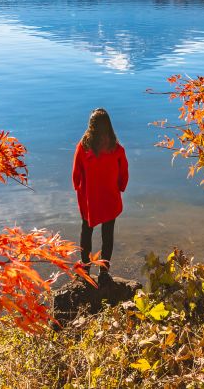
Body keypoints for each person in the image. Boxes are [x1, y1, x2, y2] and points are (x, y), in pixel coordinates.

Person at [72, 108, 128, 282]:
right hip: (110, 198)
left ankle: (86, 267)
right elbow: (123, 174)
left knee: (86, 232)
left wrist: (79, 189)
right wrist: (120, 187)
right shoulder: (116, 148)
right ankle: (104, 271)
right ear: (109, 126)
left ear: (91, 126)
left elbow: (76, 174)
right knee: (107, 235)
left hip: (90, 200)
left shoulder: (83, 147)